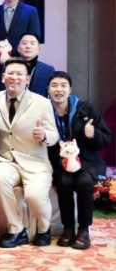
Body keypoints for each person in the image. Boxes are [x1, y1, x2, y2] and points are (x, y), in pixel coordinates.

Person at [0, 57, 58, 248]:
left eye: (19, 74)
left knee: (34, 196)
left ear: (28, 79)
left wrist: (44, 135)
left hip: (35, 161)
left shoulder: (42, 103)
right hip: (6, 160)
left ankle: (44, 229)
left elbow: (54, 135)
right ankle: (16, 230)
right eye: (10, 73)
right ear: (3, 77)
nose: (14, 77)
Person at [46, 72, 112, 250]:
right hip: (59, 161)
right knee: (64, 181)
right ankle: (68, 229)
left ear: (70, 89)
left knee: (83, 182)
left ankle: (83, 230)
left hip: (87, 160)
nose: (59, 89)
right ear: (48, 89)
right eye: (54, 85)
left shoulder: (85, 109)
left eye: (63, 85)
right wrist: (59, 162)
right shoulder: (44, 112)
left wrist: (92, 135)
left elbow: (106, 138)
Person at [18, 33, 56, 98]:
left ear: (38, 49)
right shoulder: (8, 68)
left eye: (32, 43)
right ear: (18, 48)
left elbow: (52, 95)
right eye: (24, 43)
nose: (28, 46)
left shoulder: (48, 70)